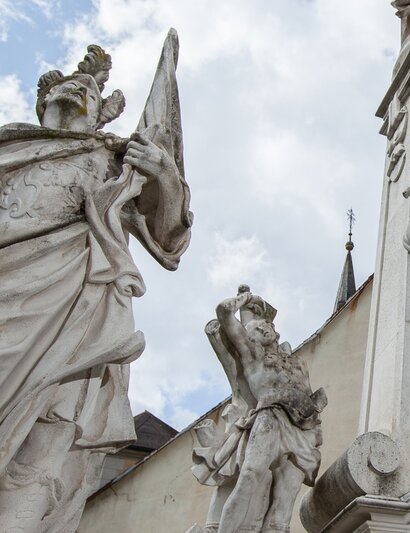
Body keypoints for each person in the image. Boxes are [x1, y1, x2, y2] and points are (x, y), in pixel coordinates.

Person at [0, 34, 190, 532]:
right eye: (70, 84)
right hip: (8, 300)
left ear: (102, 113)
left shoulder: (112, 159)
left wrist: (165, 177)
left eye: (89, 88)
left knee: (43, 448)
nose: (80, 87)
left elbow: (168, 241)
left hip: (71, 316)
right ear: (44, 100)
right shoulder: (9, 148)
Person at [192, 287, 326, 533]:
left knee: (283, 507)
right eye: (256, 328)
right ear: (249, 336)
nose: (264, 327)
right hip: (269, 419)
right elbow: (223, 311)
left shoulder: (297, 362)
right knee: (250, 476)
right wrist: (244, 300)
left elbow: (305, 394)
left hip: (304, 431)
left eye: (267, 325)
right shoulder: (252, 353)